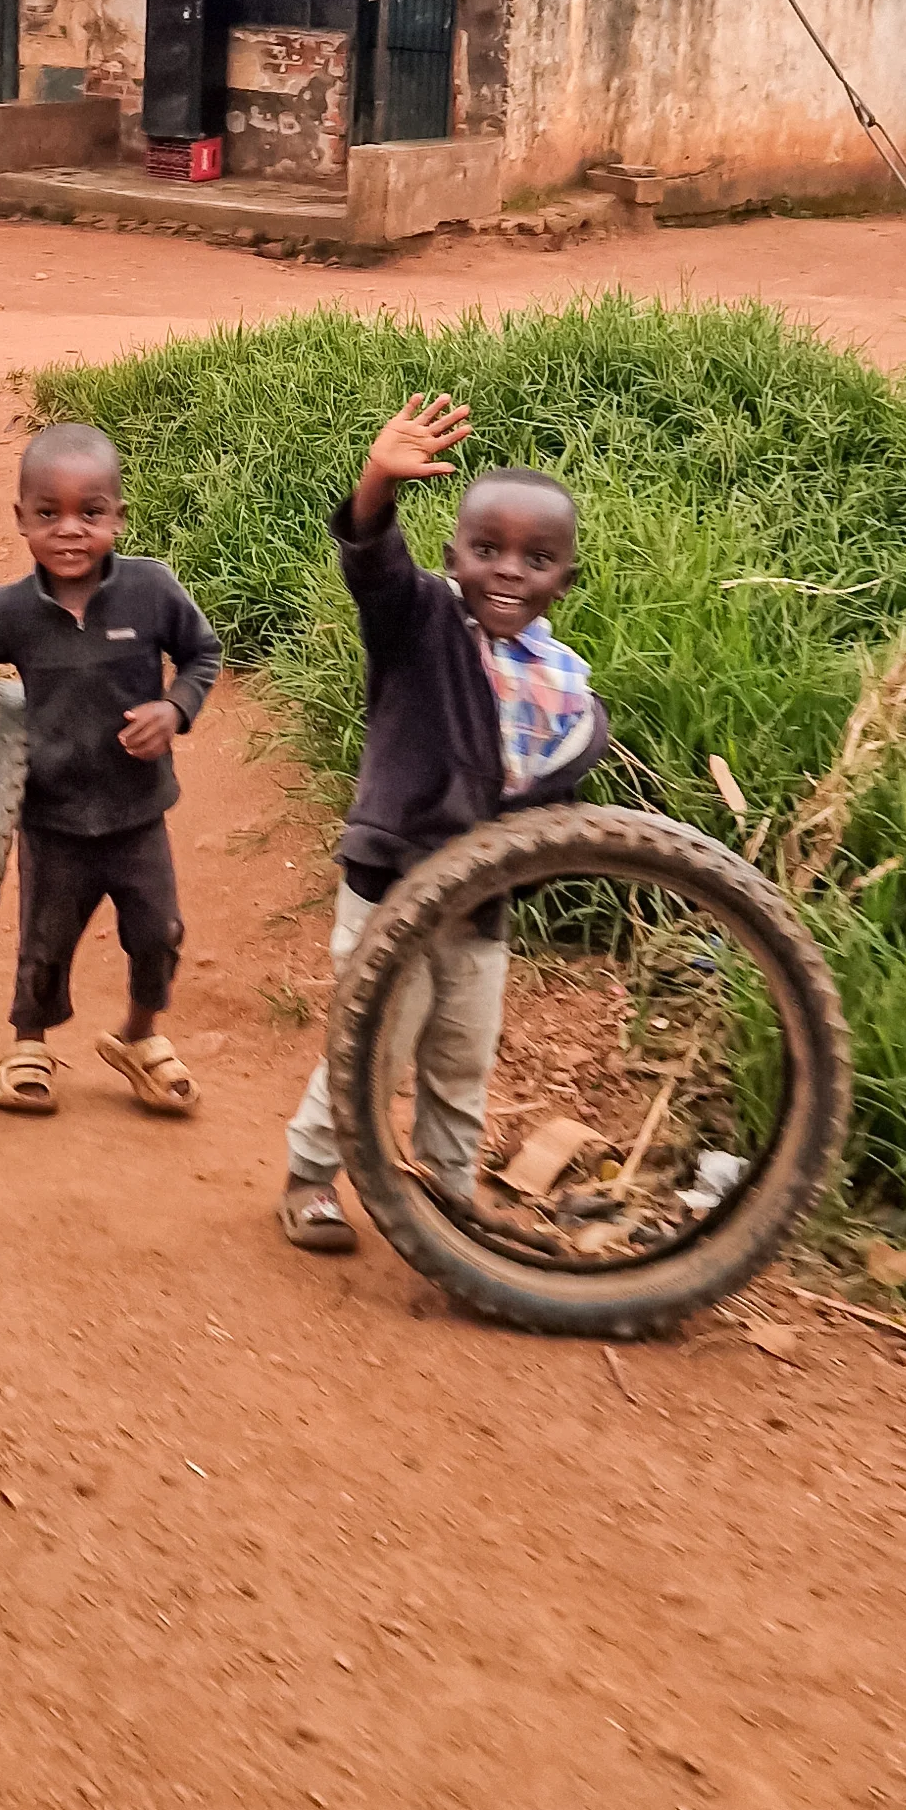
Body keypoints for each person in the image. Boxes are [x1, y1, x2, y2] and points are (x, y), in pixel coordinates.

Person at [280, 391, 607, 1255]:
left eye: (536, 558)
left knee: (462, 1061)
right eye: (486, 548)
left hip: (478, 910)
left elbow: (550, 803)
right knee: (374, 1049)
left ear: (563, 580)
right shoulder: (418, 619)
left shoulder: (562, 686)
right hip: (389, 887)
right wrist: (374, 484)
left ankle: (450, 1203)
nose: (507, 569)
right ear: (453, 556)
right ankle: (312, 1175)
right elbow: (372, 561)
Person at [0, 423, 222, 1118]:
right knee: (46, 940)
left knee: (158, 933)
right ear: (21, 519)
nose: (70, 531)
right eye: (48, 514)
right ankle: (29, 1043)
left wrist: (174, 709)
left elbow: (202, 654)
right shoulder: (10, 611)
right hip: (53, 818)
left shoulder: (152, 591)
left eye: (90, 513)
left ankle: (138, 1037)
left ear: (118, 517)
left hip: (137, 815)